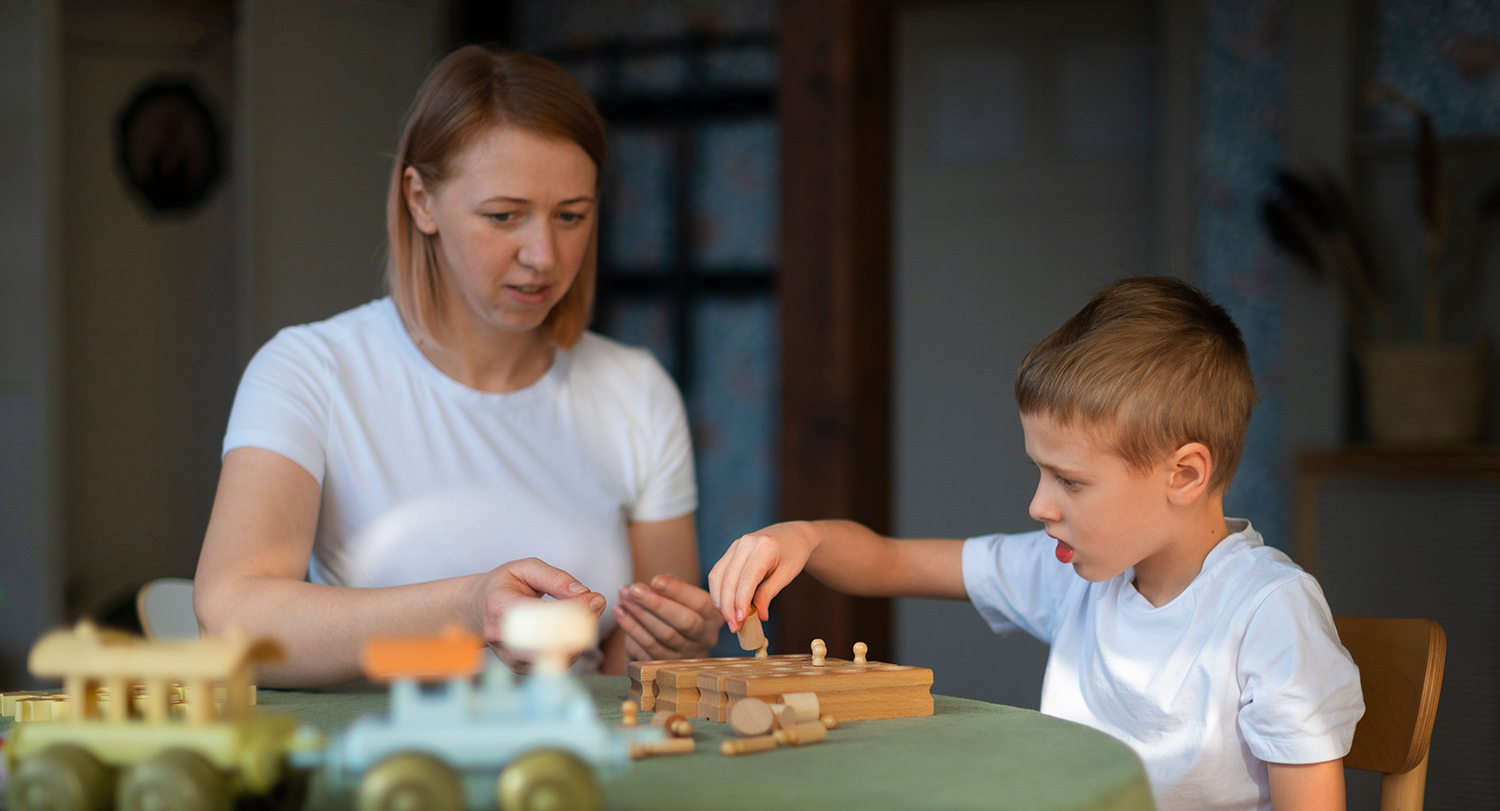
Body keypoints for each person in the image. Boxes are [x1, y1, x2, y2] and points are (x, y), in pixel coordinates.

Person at [708, 277, 1364, 811]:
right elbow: (891, 560)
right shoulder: (1071, 569)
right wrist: (800, 536)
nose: (1038, 505)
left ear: (1184, 473)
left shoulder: (1269, 610)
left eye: (1070, 480)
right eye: (1039, 470)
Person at [194, 46, 723, 686]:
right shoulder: (309, 372)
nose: (543, 256)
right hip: (388, 767)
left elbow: (636, 675)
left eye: (572, 217)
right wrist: (470, 609)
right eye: (504, 216)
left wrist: (667, 650)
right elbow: (231, 615)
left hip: (580, 765)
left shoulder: (636, 391)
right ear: (421, 201)